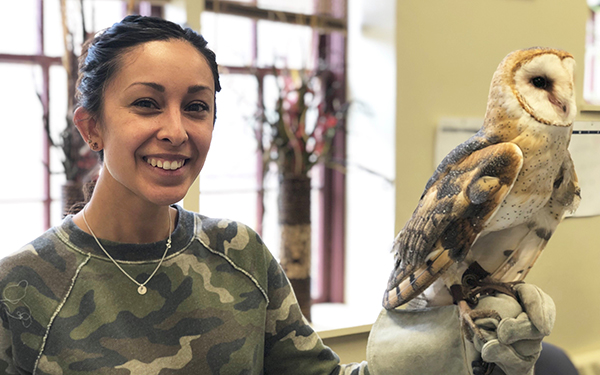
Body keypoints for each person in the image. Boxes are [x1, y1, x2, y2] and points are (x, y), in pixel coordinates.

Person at [0, 15, 555, 375]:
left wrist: (438, 352)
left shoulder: (237, 252)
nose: (176, 130)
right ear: (90, 127)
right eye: (146, 103)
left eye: (196, 107)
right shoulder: (20, 285)